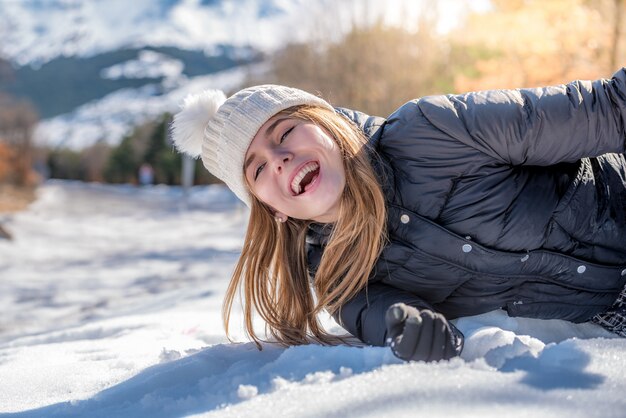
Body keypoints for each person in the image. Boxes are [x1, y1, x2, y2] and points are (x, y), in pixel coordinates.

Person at [171, 68, 626, 362]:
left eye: (285, 130)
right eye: (258, 169)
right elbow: (381, 313)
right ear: (273, 211)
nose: (280, 158)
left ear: (326, 123)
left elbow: (610, 109)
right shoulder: (337, 274)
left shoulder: (434, 131)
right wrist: (408, 326)